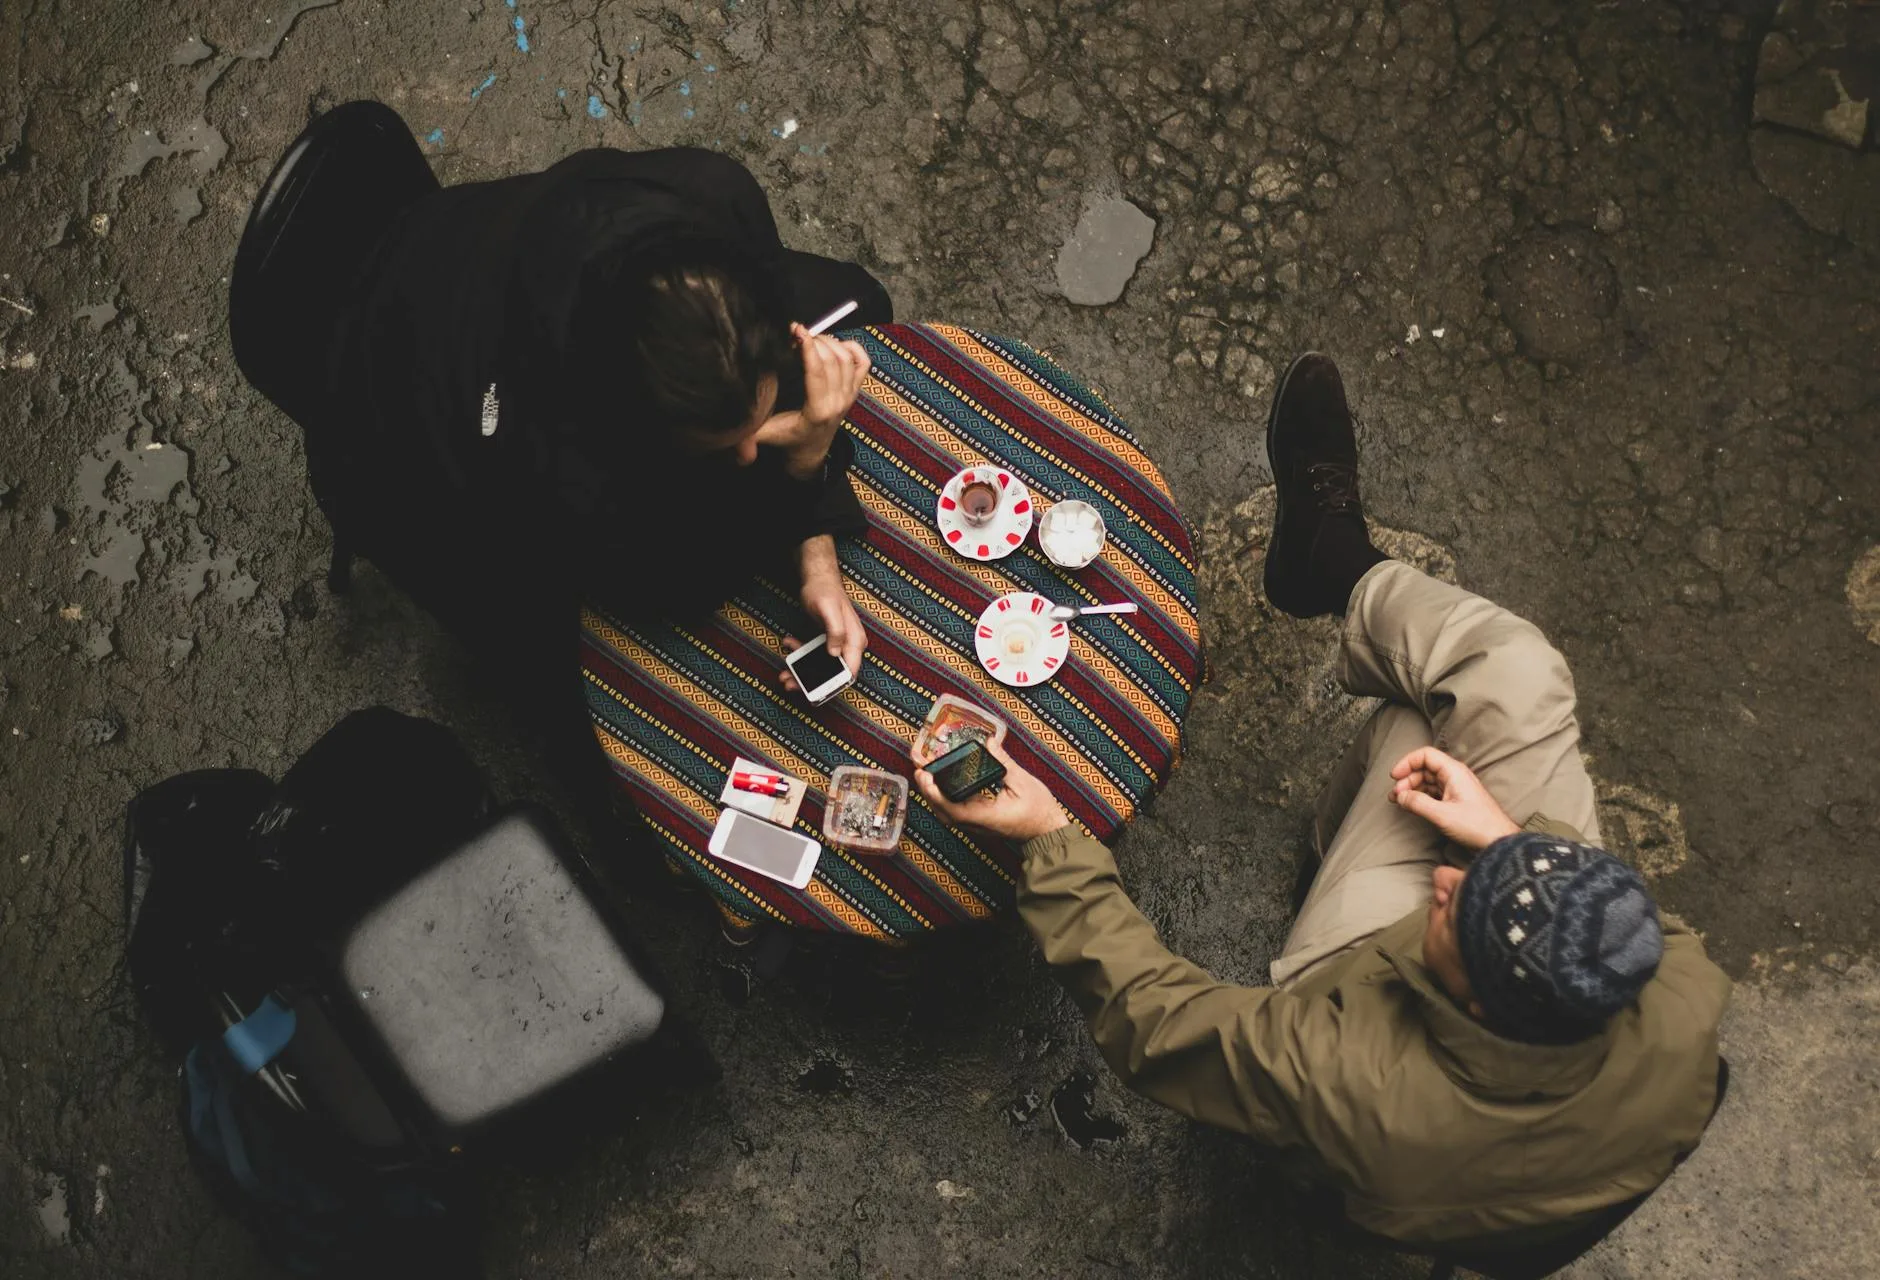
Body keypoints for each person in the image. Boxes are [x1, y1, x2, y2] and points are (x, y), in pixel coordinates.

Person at [915, 353, 1731, 1250]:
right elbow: (1550, 902)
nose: (1452, 880)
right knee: (1506, 677)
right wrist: (1501, 838)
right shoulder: (1678, 985)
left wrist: (1046, 838)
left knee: (1407, 735)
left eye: (1461, 906)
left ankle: (1326, 860)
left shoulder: (1344, 1076)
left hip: (1396, 1120)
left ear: (1484, 1008)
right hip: (1509, 1078)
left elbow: (1156, 1023)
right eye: (1492, 872)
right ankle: (1330, 559)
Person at [325, 140, 891, 691]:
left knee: (860, 299)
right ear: (632, 436)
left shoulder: (716, 192)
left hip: (477, 242)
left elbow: (766, 360)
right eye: (725, 445)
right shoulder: (555, 457)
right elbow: (680, 582)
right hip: (393, 415)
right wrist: (807, 455)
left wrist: (816, 551)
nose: (750, 451)